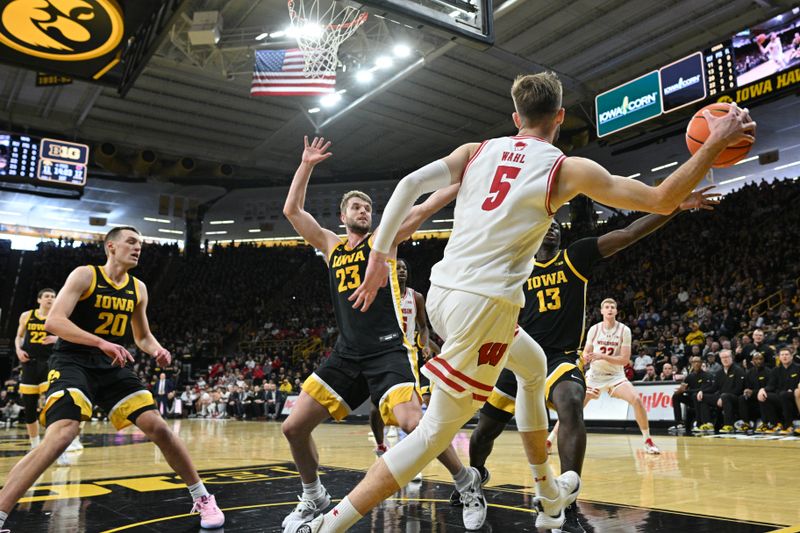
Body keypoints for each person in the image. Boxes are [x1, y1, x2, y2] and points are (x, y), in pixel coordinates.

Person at [287, 71, 754, 533]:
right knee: (432, 434)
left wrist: (379, 256)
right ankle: (329, 525)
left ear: (516, 116)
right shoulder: (565, 168)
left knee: (531, 368)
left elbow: (409, 186)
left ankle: (548, 493)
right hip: (484, 308)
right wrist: (713, 143)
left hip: (445, 294)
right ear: (560, 117)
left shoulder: (476, 151)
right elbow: (659, 198)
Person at [461, 188, 716, 531]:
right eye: (543, 222)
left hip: (560, 357)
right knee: (483, 433)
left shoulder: (575, 257)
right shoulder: (515, 266)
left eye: (555, 223)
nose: (551, 227)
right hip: (518, 355)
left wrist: (673, 207)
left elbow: (627, 234)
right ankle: (473, 482)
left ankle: (568, 501)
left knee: (570, 402)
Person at [280, 137, 464, 530]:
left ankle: (466, 482)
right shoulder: (331, 245)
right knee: (293, 427)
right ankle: (314, 496)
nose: (364, 211)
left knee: (415, 425)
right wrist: (307, 164)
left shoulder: (385, 241)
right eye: (357, 207)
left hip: (386, 351)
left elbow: (426, 206)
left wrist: (463, 178)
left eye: (368, 208)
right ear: (343, 214)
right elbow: (292, 210)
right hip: (346, 354)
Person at [0, 227, 224, 530]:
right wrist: (100, 342)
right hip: (72, 361)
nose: (137, 248)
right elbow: (54, 322)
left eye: (140, 244)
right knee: (63, 434)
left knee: (157, 426)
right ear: (111, 247)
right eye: (131, 242)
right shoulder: (85, 275)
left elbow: (142, 336)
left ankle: (202, 497)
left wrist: (158, 350)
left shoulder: (139, 288)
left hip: (111, 365)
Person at [570, 299, 660, 453]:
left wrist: (601, 356)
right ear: (602, 311)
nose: (610, 309)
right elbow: (586, 352)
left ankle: (648, 441)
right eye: (606, 307)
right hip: (595, 376)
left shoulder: (624, 330)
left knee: (636, 400)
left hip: (615, 376)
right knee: (573, 408)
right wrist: (586, 356)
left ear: (616, 311)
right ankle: (550, 440)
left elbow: (625, 360)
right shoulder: (594, 329)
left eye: (612, 307)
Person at [369, 258, 432, 457]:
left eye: (404, 267)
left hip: (409, 354)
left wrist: (426, 343)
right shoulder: (382, 295)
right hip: (385, 352)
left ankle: (413, 453)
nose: (401, 270)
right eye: (397, 268)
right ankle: (380, 445)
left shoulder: (417, 297)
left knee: (414, 404)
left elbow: (423, 327)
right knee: (375, 407)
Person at [15, 289, 58, 449]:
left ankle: (54, 446)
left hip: (49, 363)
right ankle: (35, 445)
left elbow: (70, 336)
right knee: (29, 407)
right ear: (39, 300)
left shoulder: (58, 317)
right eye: (47, 296)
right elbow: (19, 336)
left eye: (53, 297)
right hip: (29, 364)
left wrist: (57, 338)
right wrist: (18, 350)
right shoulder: (27, 316)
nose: (50, 299)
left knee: (52, 405)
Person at [696, 349, 745, 433]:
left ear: (731, 357)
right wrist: (702, 391)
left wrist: (722, 397)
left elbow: (739, 388)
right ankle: (708, 424)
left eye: (727, 357)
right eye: (722, 358)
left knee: (725, 396)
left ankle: (728, 425)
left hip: (735, 398)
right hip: (722, 397)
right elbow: (714, 388)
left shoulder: (738, 370)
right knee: (703, 397)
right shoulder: (719, 373)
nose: (725, 359)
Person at [757, 347, 800, 434]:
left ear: (791, 356)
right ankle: (775, 424)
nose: (784, 357)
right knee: (764, 396)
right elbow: (771, 386)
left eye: (787, 355)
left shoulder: (798, 368)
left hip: (794, 396)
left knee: (784, 394)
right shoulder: (775, 370)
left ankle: (788, 425)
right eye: (782, 355)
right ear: (779, 357)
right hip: (780, 396)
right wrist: (762, 390)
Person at [671, 356, 714, 433]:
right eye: (694, 362)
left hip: (702, 400)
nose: (696, 364)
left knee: (695, 395)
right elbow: (683, 386)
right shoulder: (690, 376)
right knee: (676, 396)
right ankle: (679, 423)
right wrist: (680, 390)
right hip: (691, 400)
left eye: (698, 362)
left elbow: (701, 390)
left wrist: (687, 391)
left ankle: (699, 423)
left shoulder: (708, 375)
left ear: (701, 363)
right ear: (691, 364)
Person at [736, 352, 770, 432]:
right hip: (753, 400)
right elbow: (747, 387)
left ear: (764, 360)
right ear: (752, 361)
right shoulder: (749, 373)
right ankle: (746, 422)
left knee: (762, 396)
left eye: (761, 359)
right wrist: (746, 391)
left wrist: (753, 392)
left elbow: (770, 388)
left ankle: (765, 423)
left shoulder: (769, 372)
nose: (759, 361)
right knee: (742, 398)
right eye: (756, 359)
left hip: (765, 398)